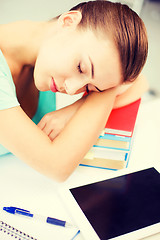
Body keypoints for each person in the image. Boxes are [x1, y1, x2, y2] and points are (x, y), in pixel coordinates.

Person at [0, 1, 148, 181]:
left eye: (89, 88)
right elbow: (57, 166)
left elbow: (139, 83)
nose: (71, 89)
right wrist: (109, 88)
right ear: (68, 22)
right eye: (81, 68)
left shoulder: (45, 55)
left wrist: (75, 107)